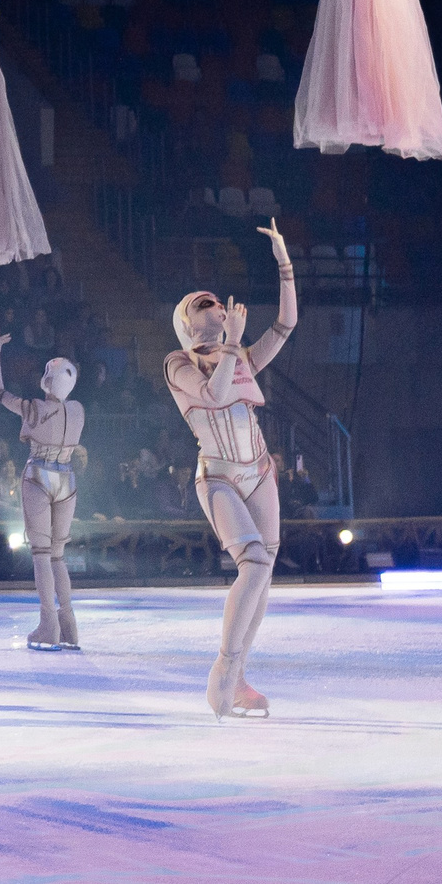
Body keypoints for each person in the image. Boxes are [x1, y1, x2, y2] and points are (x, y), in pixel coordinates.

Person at [163, 220, 298, 718]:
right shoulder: (178, 363)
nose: (214, 304)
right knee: (255, 564)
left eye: (215, 301)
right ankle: (223, 670)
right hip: (217, 477)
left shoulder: (238, 355)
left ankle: (239, 679)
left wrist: (283, 260)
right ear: (186, 321)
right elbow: (216, 397)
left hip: (259, 471)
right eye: (202, 304)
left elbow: (287, 324)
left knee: (263, 574)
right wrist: (232, 345)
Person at [0, 328, 85, 651]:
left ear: (48, 380)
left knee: (42, 556)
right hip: (67, 479)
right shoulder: (78, 411)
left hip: (39, 475)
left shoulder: (34, 408)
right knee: (58, 557)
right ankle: (68, 624)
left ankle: (49, 624)